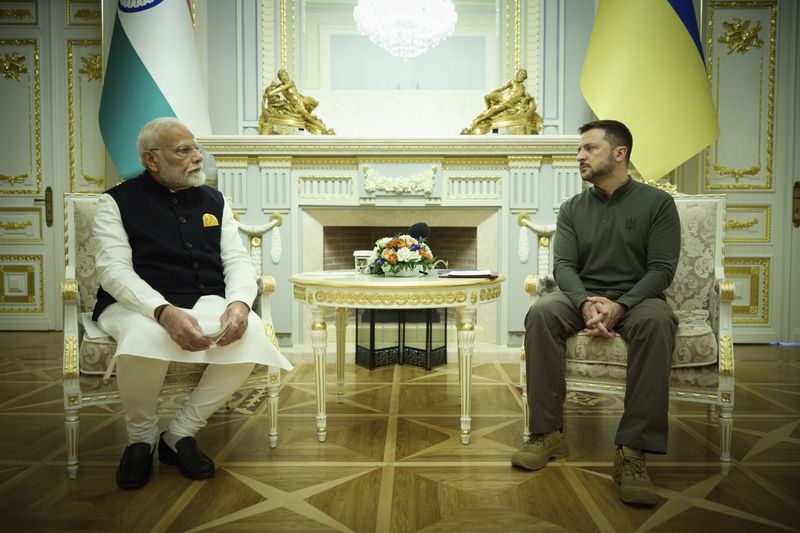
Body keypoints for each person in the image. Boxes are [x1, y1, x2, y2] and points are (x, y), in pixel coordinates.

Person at [92, 117, 293, 490]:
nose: (198, 157)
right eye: (184, 151)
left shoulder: (215, 200)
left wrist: (239, 303)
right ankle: (141, 439)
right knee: (143, 336)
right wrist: (163, 312)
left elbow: (236, 260)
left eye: (196, 147)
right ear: (152, 160)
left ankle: (180, 433)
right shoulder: (115, 202)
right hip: (135, 303)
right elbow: (113, 271)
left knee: (250, 337)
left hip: (202, 298)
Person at [511, 120, 680, 506]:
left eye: (590, 149)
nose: (580, 156)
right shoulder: (572, 208)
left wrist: (621, 306)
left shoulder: (657, 204)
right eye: (579, 150)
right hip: (581, 296)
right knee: (541, 313)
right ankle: (546, 434)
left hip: (637, 299)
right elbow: (564, 266)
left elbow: (661, 270)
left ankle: (632, 452)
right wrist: (585, 302)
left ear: (620, 153)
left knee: (658, 322)